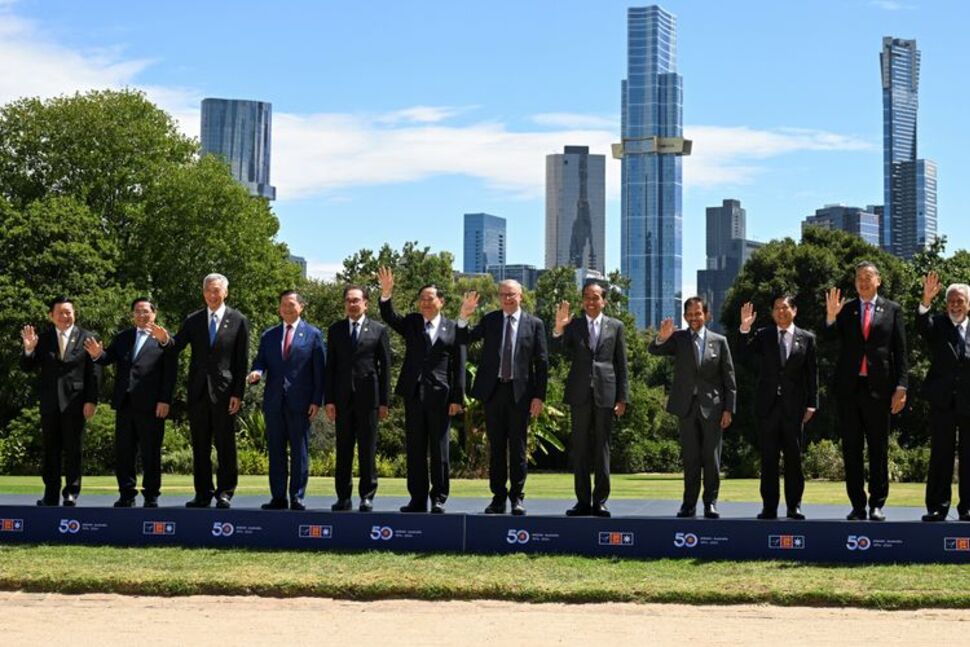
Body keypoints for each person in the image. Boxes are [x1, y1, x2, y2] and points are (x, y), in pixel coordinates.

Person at [148, 273, 250, 509]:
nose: (212, 295)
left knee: (225, 445)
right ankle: (202, 493)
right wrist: (165, 340)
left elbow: (241, 360)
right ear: (203, 293)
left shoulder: (238, 320)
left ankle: (225, 492)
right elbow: (176, 346)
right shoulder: (193, 320)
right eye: (208, 291)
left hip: (225, 393)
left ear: (225, 292)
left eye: (216, 291)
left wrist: (238, 393)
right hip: (198, 392)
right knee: (200, 445)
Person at [824, 261, 907, 521]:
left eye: (868, 276)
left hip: (880, 390)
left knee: (878, 449)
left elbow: (901, 352)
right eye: (859, 277)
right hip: (849, 390)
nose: (863, 281)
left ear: (878, 280)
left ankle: (876, 504)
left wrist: (901, 386)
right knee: (851, 449)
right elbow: (829, 339)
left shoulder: (892, 309)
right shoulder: (846, 309)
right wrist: (831, 316)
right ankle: (857, 505)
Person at [377, 267, 465, 513]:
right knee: (415, 450)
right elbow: (390, 316)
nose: (426, 302)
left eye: (430, 298)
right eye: (422, 299)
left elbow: (459, 365)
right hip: (413, 394)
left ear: (441, 301)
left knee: (439, 450)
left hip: (440, 396)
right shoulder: (412, 323)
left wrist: (457, 398)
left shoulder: (453, 328)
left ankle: (439, 498)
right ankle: (417, 499)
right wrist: (386, 293)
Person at [457, 280, 548, 516]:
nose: (507, 298)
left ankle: (517, 497)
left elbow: (542, 363)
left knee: (518, 448)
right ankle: (498, 498)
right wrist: (464, 316)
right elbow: (464, 338)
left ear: (521, 296)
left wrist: (539, 396)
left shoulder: (535, 324)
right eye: (503, 294)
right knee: (496, 448)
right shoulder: (490, 320)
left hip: (521, 395)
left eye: (512, 294)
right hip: (493, 392)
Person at [83, 297, 177, 508]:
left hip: (152, 405)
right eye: (137, 311)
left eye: (146, 311)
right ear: (132, 315)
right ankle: (126, 494)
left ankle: (151, 496)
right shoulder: (123, 337)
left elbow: (170, 372)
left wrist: (165, 400)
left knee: (150, 453)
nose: (141, 315)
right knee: (124, 452)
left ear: (154, 314)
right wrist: (97, 355)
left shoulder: (163, 338)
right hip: (125, 403)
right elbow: (107, 358)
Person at [648, 297, 736, 519]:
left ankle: (710, 503)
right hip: (686, 407)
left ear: (706, 315)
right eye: (689, 314)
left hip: (713, 408)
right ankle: (689, 504)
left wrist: (729, 409)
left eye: (698, 313)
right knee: (691, 459)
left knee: (711, 458)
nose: (694, 318)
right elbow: (654, 350)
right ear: (685, 316)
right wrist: (662, 337)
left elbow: (729, 378)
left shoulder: (720, 341)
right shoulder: (678, 339)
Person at [551, 282, 628, 518]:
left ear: (604, 301)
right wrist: (558, 328)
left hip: (606, 393)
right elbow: (556, 350)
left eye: (595, 298)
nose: (590, 302)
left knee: (602, 448)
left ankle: (600, 501)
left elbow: (622, 365)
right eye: (586, 297)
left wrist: (622, 398)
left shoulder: (616, 326)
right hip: (580, 393)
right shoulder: (573, 325)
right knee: (580, 449)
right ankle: (583, 501)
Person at [738, 296, 818, 521]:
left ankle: (794, 507)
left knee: (794, 459)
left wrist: (812, 404)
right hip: (768, 407)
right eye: (776, 308)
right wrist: (744, 328)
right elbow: (743, 356)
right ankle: (769, 508)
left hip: (795, 408)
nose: (780, 311)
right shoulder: (763, 335)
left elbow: (812, 374)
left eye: (785, 307)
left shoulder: (807, 338)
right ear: (772, 312)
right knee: (768, 460)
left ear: (794, 310)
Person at [247, 290, 325, 511]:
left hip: (301, 403)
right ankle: (278, 497)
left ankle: (297, 496)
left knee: (300, 452)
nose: (287, 308)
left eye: (291, 304)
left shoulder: (313, 334)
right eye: (283, 304)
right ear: (279, 309)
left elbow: (320, 371)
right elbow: (260, 361)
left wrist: (316, 400)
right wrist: (256, 372)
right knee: (276, 451)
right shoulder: (269, 335)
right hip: (274, 402)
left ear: (301, 307)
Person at [20, 296, 99, 507]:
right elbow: (27, 367)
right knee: (50, 450)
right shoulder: (43, 339)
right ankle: (51, 494)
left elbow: (94, 372)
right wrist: (29, 349)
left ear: (74, 314)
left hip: (76, 402)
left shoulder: (87, 337)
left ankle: (71, 492)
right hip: (50, 402)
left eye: (68, 312)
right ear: (51, 316)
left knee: (73, 450)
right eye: (60, 313)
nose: (65, 316)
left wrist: (91, 400)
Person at [325, 285, 391, 513]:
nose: (352, 304)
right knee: (343, 450)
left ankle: (367, 496)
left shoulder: (379, 330)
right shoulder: (335, 330)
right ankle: (343, 497)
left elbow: (385, 368)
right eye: (348, 301)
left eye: (356, 300)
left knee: (367, 450)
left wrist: (384, 402)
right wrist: (329, 400)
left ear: (365, 304)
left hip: (369, 399)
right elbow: (330, 367)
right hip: (342, 400)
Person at [916, 271, 970, 522]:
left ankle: (967, 508)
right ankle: (938, 507)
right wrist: (926, 300)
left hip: (969, 401)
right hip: (942, 401)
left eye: (960, 301)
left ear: (968, 304)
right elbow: (921, 326)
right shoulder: (938, 324)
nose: (955, 305)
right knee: (941, 454)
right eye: (951, 301)